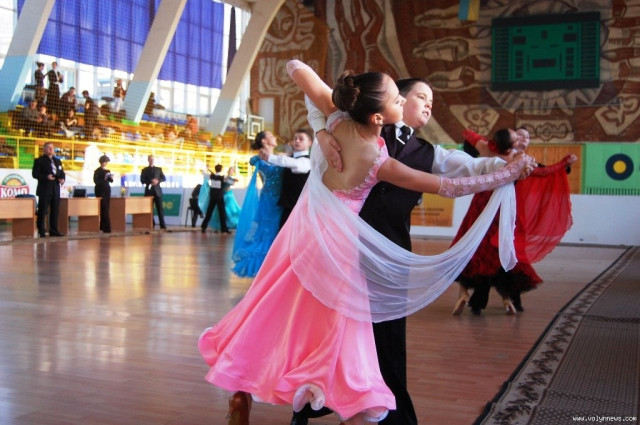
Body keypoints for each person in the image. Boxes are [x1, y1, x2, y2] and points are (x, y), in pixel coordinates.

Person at [198, 60, 533, 425]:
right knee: (337, 338)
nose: (421, 104)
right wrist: (507, 173)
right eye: (409, 97)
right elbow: (450, 187)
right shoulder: (377, 158)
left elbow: (297, 68)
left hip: (306, 239)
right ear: (380, 114)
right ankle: (344, 402)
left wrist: (323, 128)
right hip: (343, 254)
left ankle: (251, 389)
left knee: (279, 314)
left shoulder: (342, 123)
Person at [294, 79, 534, 425]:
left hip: (389, 257)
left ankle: (393, 417)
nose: (429, 104)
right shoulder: (356, 125)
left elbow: (470, 167)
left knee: (388, 342)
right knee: (328, 334)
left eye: (432, 100)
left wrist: (509, 167)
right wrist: (319, 132)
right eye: (422, 96)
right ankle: (308, 405)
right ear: (397, 99)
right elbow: (314, 92)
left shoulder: (427, 153)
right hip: (338, 252)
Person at [452, 128, 576, 315]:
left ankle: (474, 298)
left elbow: (467, 132)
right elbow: (544, 171)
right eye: (519, 136)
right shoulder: (516, 159)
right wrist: (564, 163)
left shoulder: (486, 148)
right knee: (507, 249)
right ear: (511, 145)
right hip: (502, 208)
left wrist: (473, 151)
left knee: (476, 248)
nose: (523, 139)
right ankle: (508, 299)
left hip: (480, 206)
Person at [230, 131, 284, 278]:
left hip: (278, 199)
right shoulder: (261, 158)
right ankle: (266, 267)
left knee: (275, 231)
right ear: (264, 141)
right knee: (268, 232)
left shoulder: (278, 157)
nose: (275, 137)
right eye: (271, 136)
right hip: (270, 201)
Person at [259, 128, 313, 229]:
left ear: (310, 143)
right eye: (295, 138)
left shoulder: (308, 161)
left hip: (300, 208)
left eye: (301, 139)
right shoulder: (288, 157)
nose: (297, 141)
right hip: (284, 206)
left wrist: (270, 157)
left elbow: (295, 164)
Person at [32, 142, 65, 237]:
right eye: (49, 147)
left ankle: (54, 230)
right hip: (45, 189)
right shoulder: (39, 160)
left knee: (55, 210)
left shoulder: (57, 161)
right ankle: (41, 230)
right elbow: (35, 174)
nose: (51, 149)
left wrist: (62, 179)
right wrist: (46, 177)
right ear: (44, 149)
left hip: (55, 189)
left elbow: (62, 172)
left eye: (52, 147)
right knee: (42, 211)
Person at [207, 166, 241, 232]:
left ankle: (225, 226)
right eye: (230, 170)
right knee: (224, 211)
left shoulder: (225, 177)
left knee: (229, 210)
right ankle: (223, 226)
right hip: (224, 195)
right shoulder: (223, 177)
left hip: (228, 195)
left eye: (232, 170)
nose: (231, 171)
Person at [200, 164, 229, 234]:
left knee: (209, 212)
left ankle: (203, 227)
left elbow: (203, 173)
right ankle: (223, 228)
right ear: (221, 170)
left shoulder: (212, 176)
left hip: (213, 197)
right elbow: (229, 182)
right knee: (222, 213)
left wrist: (206, 168)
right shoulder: (222, 177)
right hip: (219, 197)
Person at [140, 155, 167, 230]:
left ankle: (162, 225)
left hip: (158, 191)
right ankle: (151, 223)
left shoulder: (158, 169)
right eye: (150, 159)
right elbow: (142, 180)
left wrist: (157, 181)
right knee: (149, 209)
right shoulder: (144, 170)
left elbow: (163, 178)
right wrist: (150, 181)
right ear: (148, 160)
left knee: (160, 209)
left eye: (152, 159)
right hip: (149, 192)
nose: (151, 160)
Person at [93, 155, 114, 233]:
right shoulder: (97, 171)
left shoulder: (107, 171)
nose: (105, 164)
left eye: (106, 162)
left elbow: (111, 181)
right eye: (104, 162)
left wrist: (110, 177)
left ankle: (104, 226)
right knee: (103, 208)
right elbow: (96, 181)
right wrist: (104, 179)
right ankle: (106, 227)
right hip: (100, 190)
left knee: (106, 208)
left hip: (107, 190)